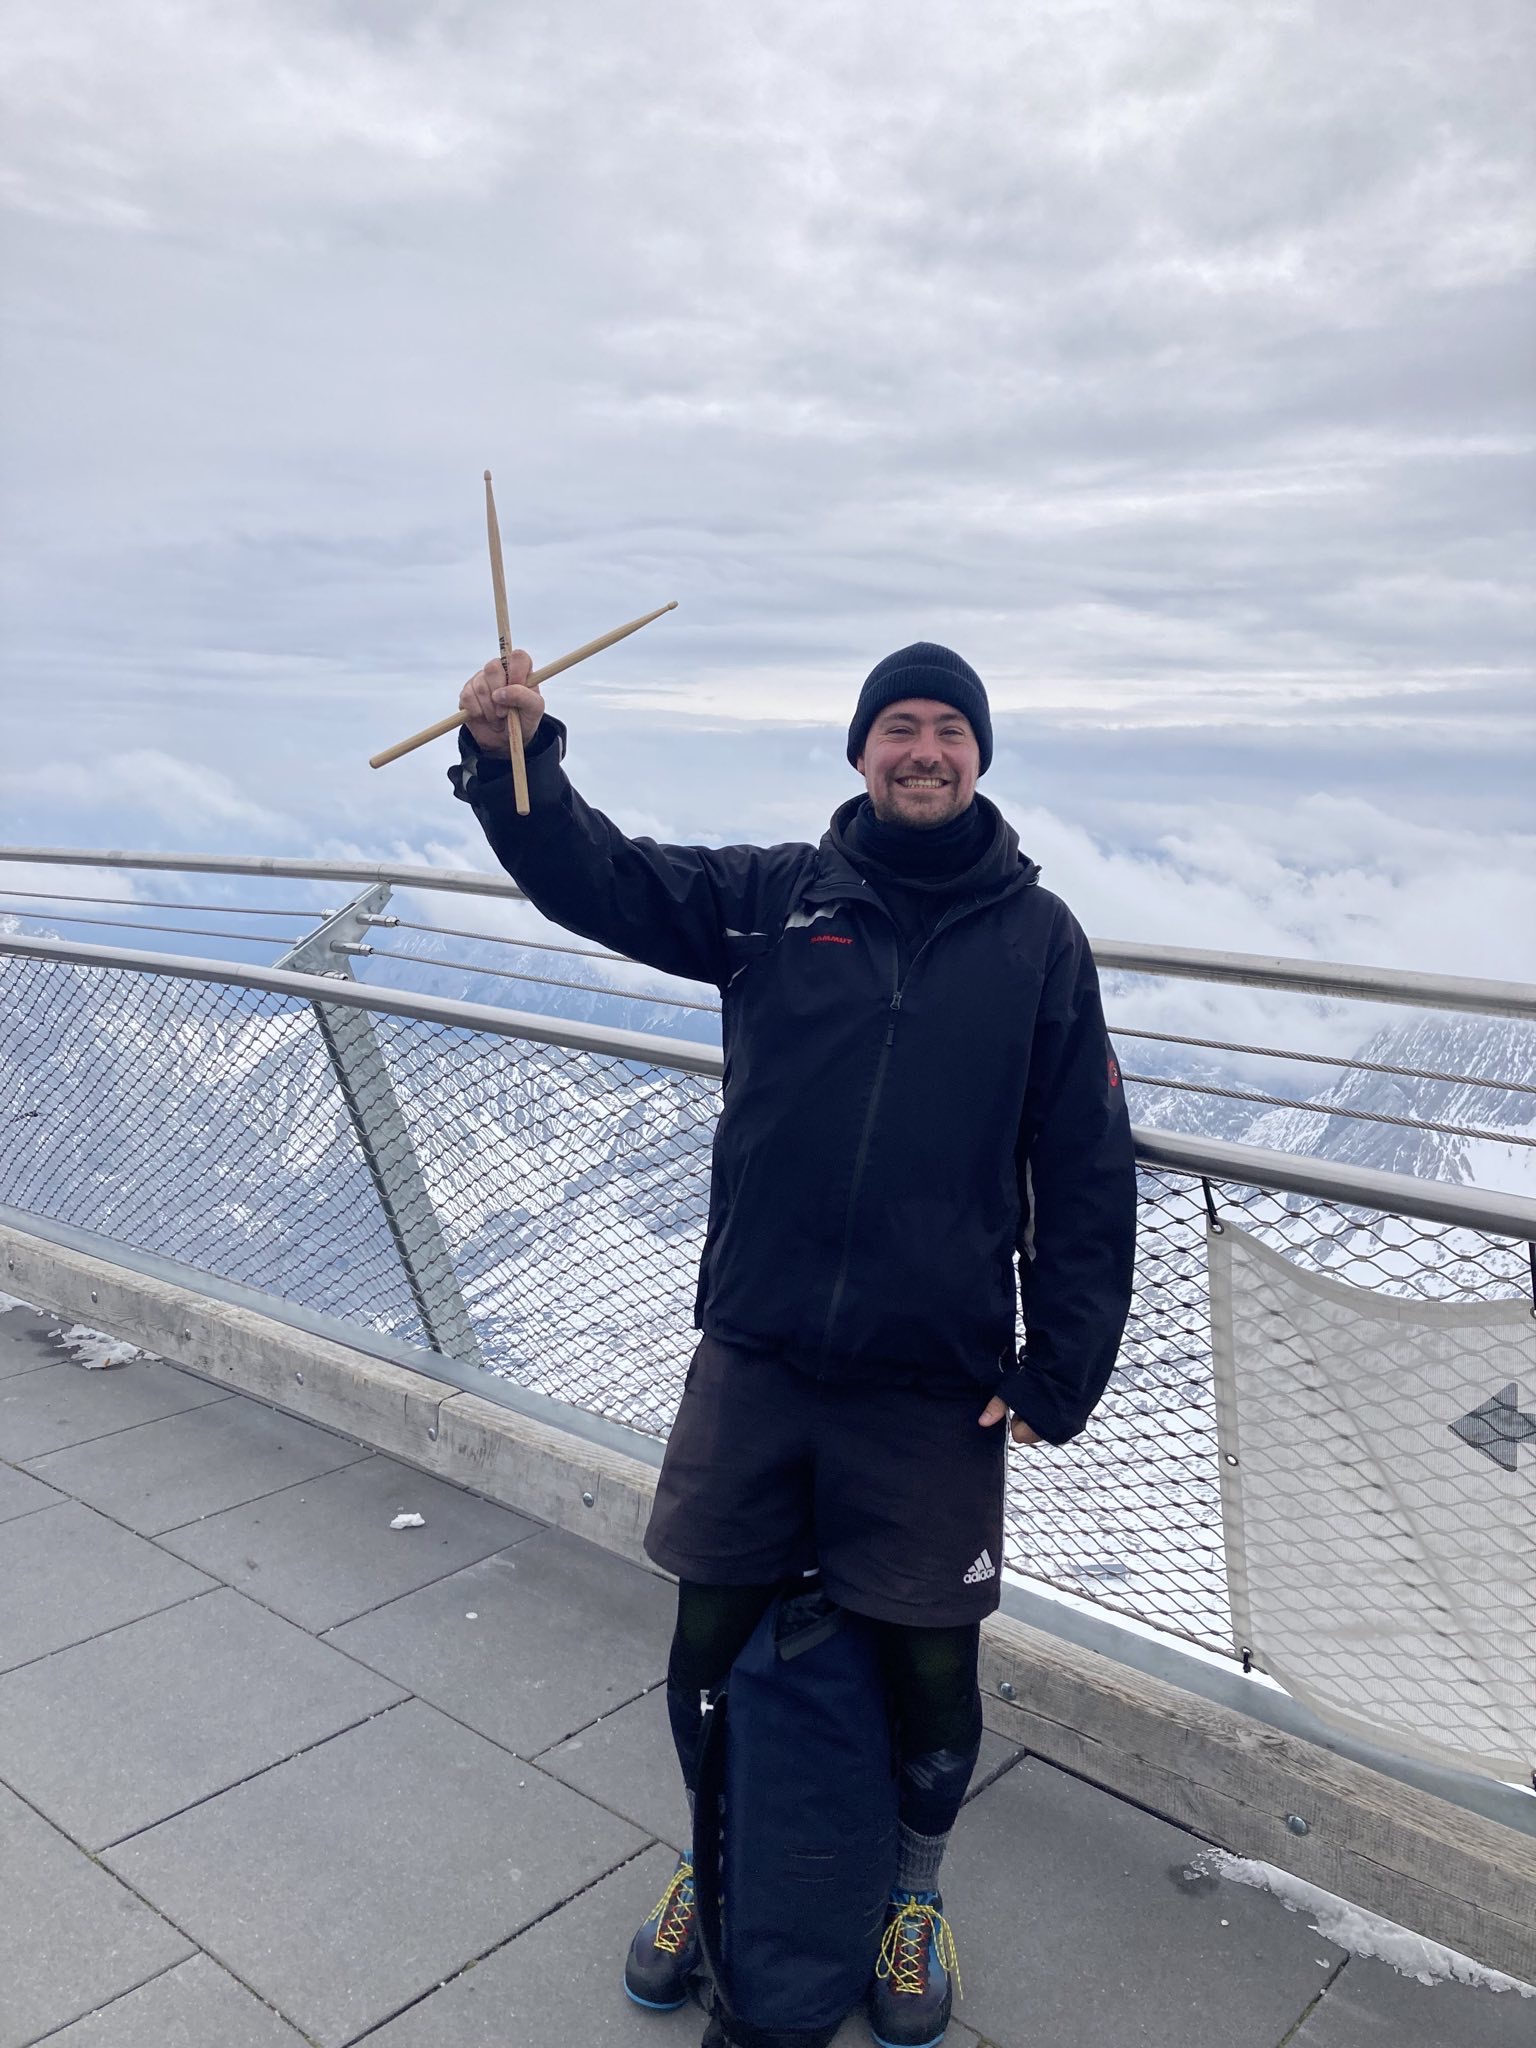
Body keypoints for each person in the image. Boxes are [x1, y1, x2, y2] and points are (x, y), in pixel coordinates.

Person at [452, 640, 1136, 2048]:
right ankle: (724, 1867)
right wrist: (514, 763)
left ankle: (909, 1894)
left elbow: (1085, 1168)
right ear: (861, 754)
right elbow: (605, 878)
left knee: (934, 1667)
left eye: (951, 726)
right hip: (756, 1356)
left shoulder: (1038, 943)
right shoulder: (772, 901)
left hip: (935, 1386)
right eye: (900, 727)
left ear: (982, 755)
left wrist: (1056, 1371)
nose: (925, 749)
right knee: (704, 1644)